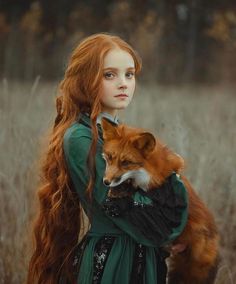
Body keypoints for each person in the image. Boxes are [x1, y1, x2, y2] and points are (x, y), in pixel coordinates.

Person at [26, 33, 188, 284]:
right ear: (85, 79)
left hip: (142, 254)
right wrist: (169, 231)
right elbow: (118, 205)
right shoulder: (80, 137)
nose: (123, 83)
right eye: (109, 75)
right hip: (114, 259)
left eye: (129, 74)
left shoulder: (118, 134)